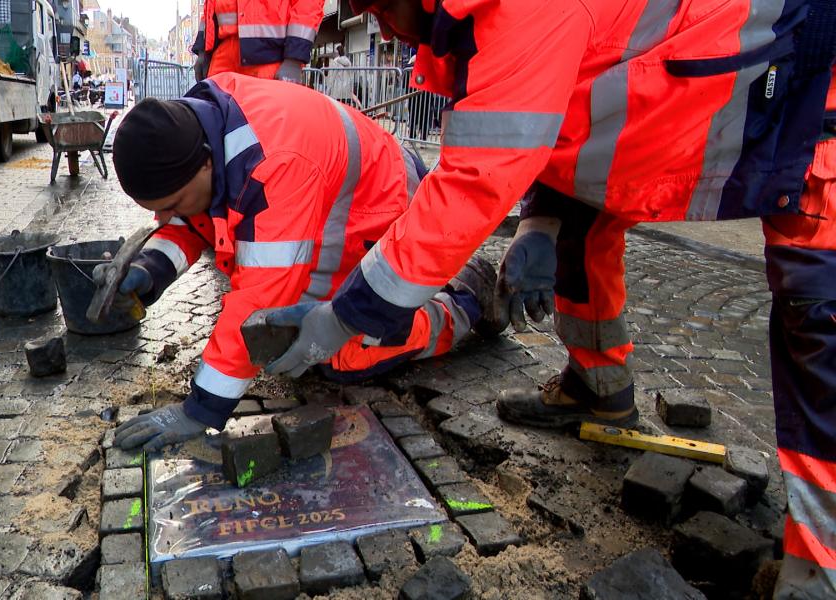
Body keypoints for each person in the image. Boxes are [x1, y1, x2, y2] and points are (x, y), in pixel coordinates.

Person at [259, 0, 836, 597]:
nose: (378, 26)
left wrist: (348, 312)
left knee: (819, 330)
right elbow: (570, 113)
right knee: (582, 240)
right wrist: (542, 221)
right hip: (694, 97)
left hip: (809, 98)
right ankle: (600, 389)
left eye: (377, 7)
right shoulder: (479, 23)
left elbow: (472, 183)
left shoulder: (519, 10)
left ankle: (820, 569)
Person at [105, 72, 501, 453]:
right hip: (337, 210)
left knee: (345, 346)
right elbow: (193, 220)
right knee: (304, 331)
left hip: (387, 205)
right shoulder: (199, 127)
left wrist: (200, 410)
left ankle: (463, 301)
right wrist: (150, 267)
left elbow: (259, 299)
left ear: (205, 162)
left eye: (170, 205)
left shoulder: (272, 166)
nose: (165, 218)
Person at [190, 0, 323, 83]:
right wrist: (204, 49)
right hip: (223, 56)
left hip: (271, 59)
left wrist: (294, 60)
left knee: (265, 125)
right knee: (216, 124)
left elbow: (308, 5)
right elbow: (211, 7)